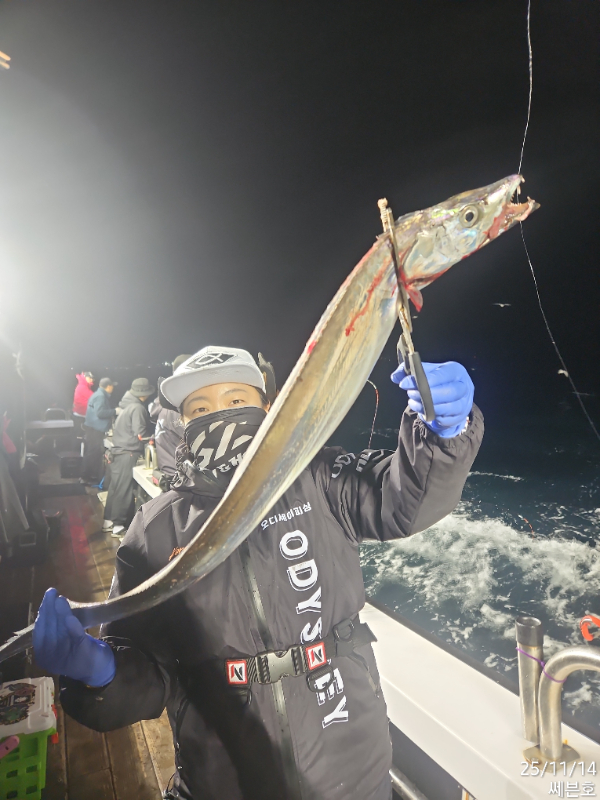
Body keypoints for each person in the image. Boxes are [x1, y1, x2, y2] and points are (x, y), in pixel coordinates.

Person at [33, 346, 482, 800]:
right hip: (222, 781)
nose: (218, 416)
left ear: (267, 408)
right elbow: (148, 674)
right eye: (199, 409)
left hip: (352, 769)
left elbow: (403, 498)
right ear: (182, 424)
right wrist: (100, 673)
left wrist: (442, 434)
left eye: (235, 400)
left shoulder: (319, 477)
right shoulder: (154, 529)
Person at [102, 377, 154, 538]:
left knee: (115, 487)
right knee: (124, 490)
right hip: (128, 452)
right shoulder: (137, 408)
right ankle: (119, 525)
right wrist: (154, 438)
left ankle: (108, 521)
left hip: (117, 451)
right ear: (144, 394)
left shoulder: (126, 406)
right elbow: (141, 434)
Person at [148, 354, 192, 481]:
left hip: (169, 474)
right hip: (180, 479)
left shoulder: (163, 404)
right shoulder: (176, 409)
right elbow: (198, 443)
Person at [80, 378, 117, 486]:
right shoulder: (100, 396)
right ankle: (86, 477)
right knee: (92, 453)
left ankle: (88, 476)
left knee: (92, 453)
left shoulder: (98, 394)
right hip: (94, 429)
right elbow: (100, 413)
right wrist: (115, 411)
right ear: (108, 386)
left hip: (93, 428)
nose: (113, 388)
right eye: (112, 386)